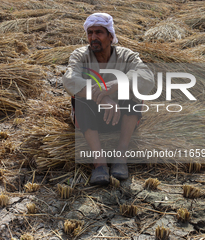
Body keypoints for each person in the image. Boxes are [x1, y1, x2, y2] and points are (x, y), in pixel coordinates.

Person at [62, 13, 155, 185]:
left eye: (99, 32)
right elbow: (69, 80)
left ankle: (121, 155)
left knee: (132, 89)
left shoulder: (127, 56)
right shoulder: (80, 55)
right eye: (90, 33)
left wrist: (116, 84)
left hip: (122, 118)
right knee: (81, 96)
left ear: (110, 36)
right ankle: (99, 162)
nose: (93, 37)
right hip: (90, 119)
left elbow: (147, 77)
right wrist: (102, 98)